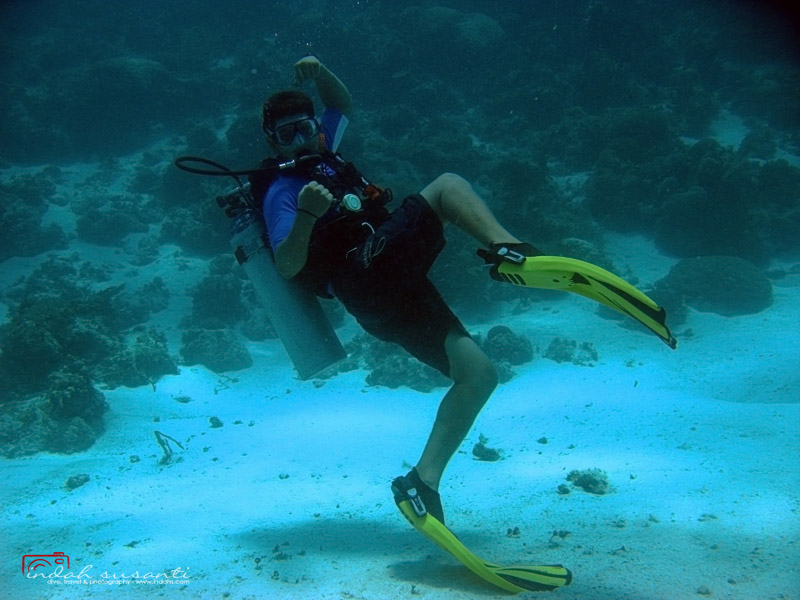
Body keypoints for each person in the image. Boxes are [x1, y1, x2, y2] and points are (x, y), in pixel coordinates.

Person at [260, 56, 537, 524]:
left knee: (479, 375)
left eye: (304, 128)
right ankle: (511, 252)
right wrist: (306, 214)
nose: (299, 140)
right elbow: (287, 266)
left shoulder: (325, 153)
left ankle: (422, 482)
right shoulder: (281, 192)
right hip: (363, 277)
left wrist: (322, 73)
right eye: (285, 135)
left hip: (385, 300)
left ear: (317, 129)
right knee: (447, 186)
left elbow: (341, 102)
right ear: (272, 141)